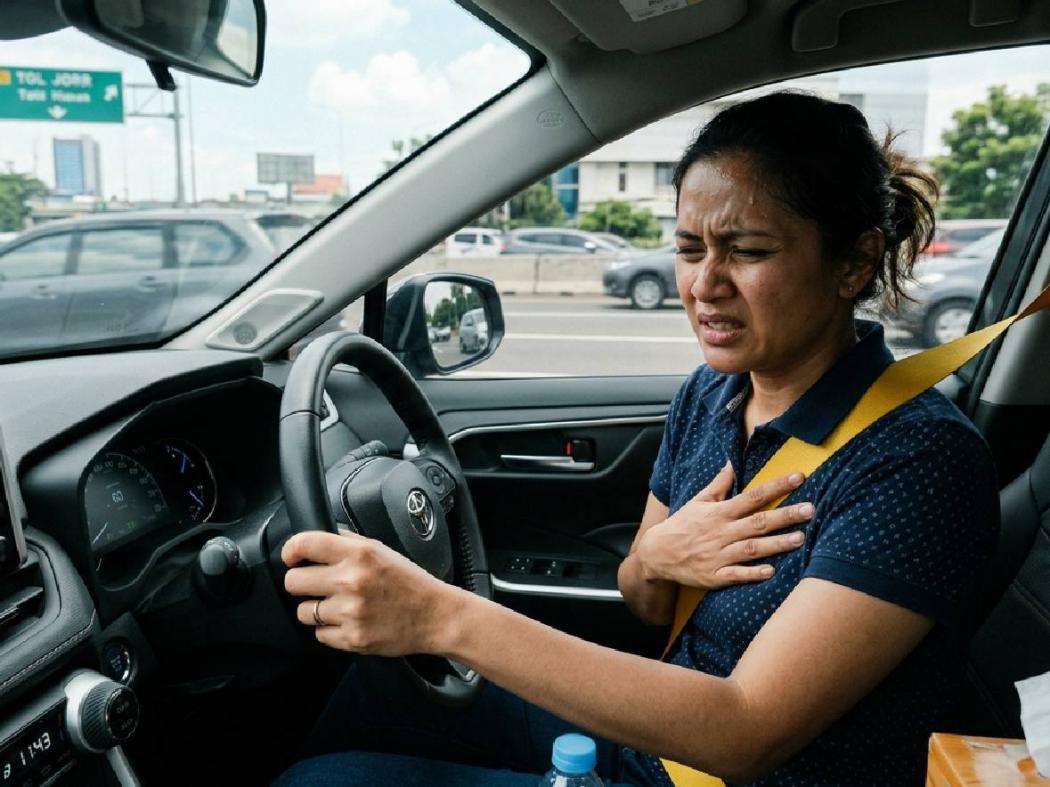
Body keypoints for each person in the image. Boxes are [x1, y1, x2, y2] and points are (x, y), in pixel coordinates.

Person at [273, 92, 1000, 786]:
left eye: (745, 250)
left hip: (725, 762)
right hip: (655, 736)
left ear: (854, 262)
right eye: (689, 248)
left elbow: (746, 732)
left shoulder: (917, 461)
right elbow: (646, 601)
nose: (704, 284)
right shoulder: (711, 393)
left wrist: (438, 613)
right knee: (378, 693)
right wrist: (655, 558)